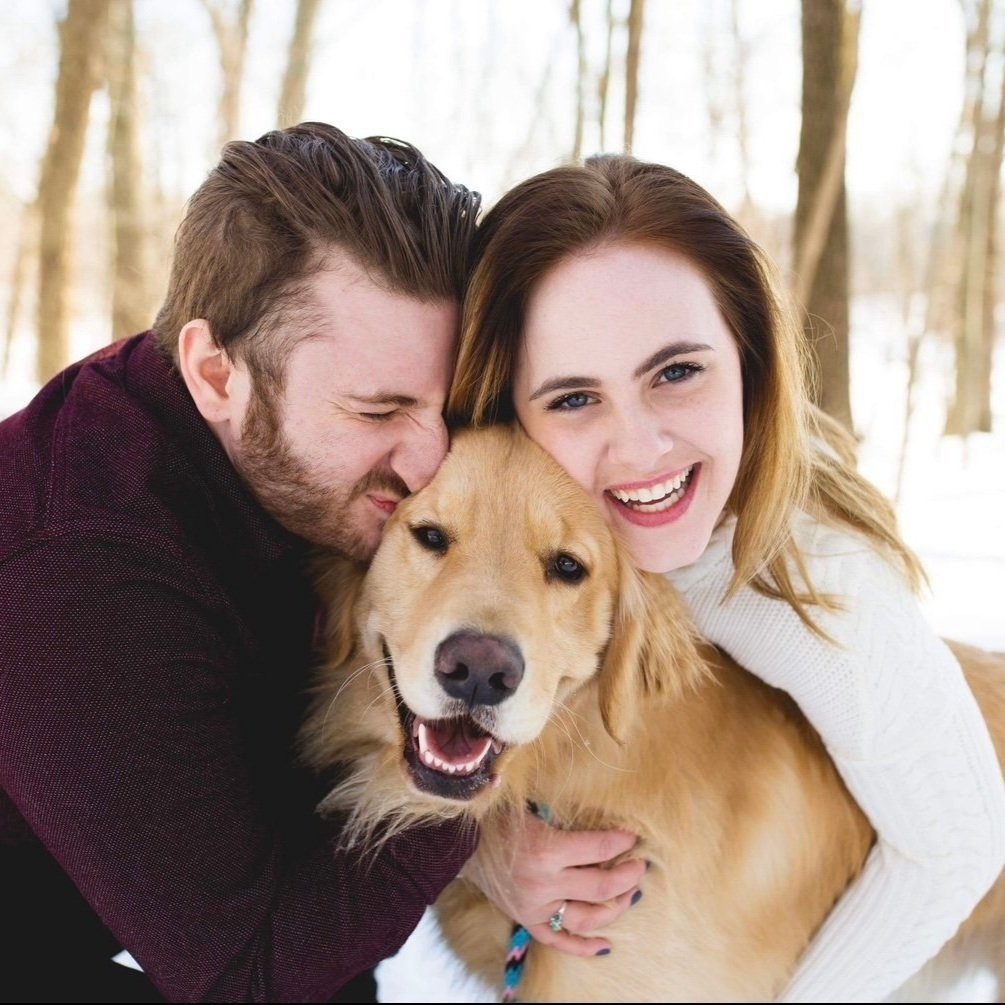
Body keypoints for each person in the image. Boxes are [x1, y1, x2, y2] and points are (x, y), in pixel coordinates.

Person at [0, 121, 642, 1004]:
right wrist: (469, 815)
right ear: (215, 373)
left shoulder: (281, 456)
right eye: (377, 410)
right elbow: (247, 973)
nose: (425, 464)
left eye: (440, 407)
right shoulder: (82, 577)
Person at [375, 154, 1005, 1003]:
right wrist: (485, 843)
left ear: (747, 362)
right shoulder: (502, 500)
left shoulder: (814, 591)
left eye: (676, 372)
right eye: (571, 397)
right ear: (504, 404)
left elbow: (961, 843)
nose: (639, 448)